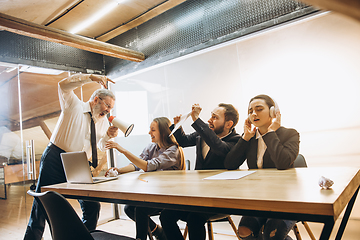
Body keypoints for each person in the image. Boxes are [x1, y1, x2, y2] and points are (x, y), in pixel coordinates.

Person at [24, 73, 118, 240]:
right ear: (96, 99)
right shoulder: (73, 104)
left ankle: (81, 237)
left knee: (92, 205)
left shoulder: (102, 122)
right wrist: (90, 77)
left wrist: (108, 137)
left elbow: (100, 146)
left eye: (111, 108)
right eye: (107, 106)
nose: (109, 111)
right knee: (42, 205)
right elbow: (63, 85)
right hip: (55, 158)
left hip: (80, 163)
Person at [160, 103, 240, 240]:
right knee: (166, 215)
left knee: (194, 218)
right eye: (211, 116)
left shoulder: (236, 140)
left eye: (214, 117)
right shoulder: (203, 134)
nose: (209, 120)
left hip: (221, 199)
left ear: (229, 124)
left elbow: (218, 146)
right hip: (198, 196)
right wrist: (177, 125)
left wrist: (196, 119)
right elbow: (184, 141)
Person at [224, 94, 300, 240]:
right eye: (250, 110)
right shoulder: (250, 137)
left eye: (259, 109)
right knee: (244, 232)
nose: (253, 114)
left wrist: (270, 133)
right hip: (258, 198)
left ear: (273, 112)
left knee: (271, 234)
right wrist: (245, 138)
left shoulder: (290, 134)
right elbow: (230, 164)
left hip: (285, 199)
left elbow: (283, 163)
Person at [105, 117, 185, 240]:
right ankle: (158, 232)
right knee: (129, 208)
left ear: (163, 132)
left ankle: (141, 238)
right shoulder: (151, 147)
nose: (149, 133)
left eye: (153, 130)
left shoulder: (173, 150)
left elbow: (148, 166)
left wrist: (123, 150)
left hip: (170, 195)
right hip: (156, 193)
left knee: (140, 209)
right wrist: (118, 170)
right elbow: (137, 164)